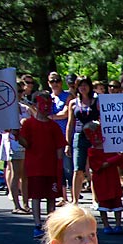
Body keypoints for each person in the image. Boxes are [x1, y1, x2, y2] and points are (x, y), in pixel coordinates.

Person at [19, 92, 66, 237]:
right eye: (42, 103)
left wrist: (59, 168)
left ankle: (50, 224)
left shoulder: (54, 126)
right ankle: (37, 224)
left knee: (51, 197)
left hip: (51, 167)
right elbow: (26, 143)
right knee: (36, 196)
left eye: (48, 104)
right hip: (35, 167)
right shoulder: (28, 124)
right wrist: (17, 135)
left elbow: (60, 147)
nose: (46, 107)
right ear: (36, 105)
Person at [84, 121, 123, 234]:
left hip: (112, 178)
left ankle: (118, 225)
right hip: (101, 180)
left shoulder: (111, 148)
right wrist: (116, 159)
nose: (97, 138)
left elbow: (121, 164)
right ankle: (106, 225)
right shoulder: (92, 151)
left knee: (117, 202)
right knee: (103, 203)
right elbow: (100, 165)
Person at [65, 76, 99, 204]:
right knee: (78, 168)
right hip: (79, 136)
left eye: (85, 85)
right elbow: (70, 123)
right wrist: (67, 143)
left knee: (93, 169)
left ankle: (96, 198)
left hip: (94, 136)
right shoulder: (73, 103)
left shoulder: (96, 101)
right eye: (80, 85)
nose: (83, 88)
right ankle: (75, 200)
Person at [47, 72, 73, 201]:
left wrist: (49, 117)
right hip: (50, 138)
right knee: (57, 169)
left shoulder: (67, 96)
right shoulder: (48, 98)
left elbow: (65, 113)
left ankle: (73, 197)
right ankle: (63, 197)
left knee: (68, 168)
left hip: (64, 136)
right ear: (48, 83)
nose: (55, 83)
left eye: (57, 80)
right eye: (52, 81)